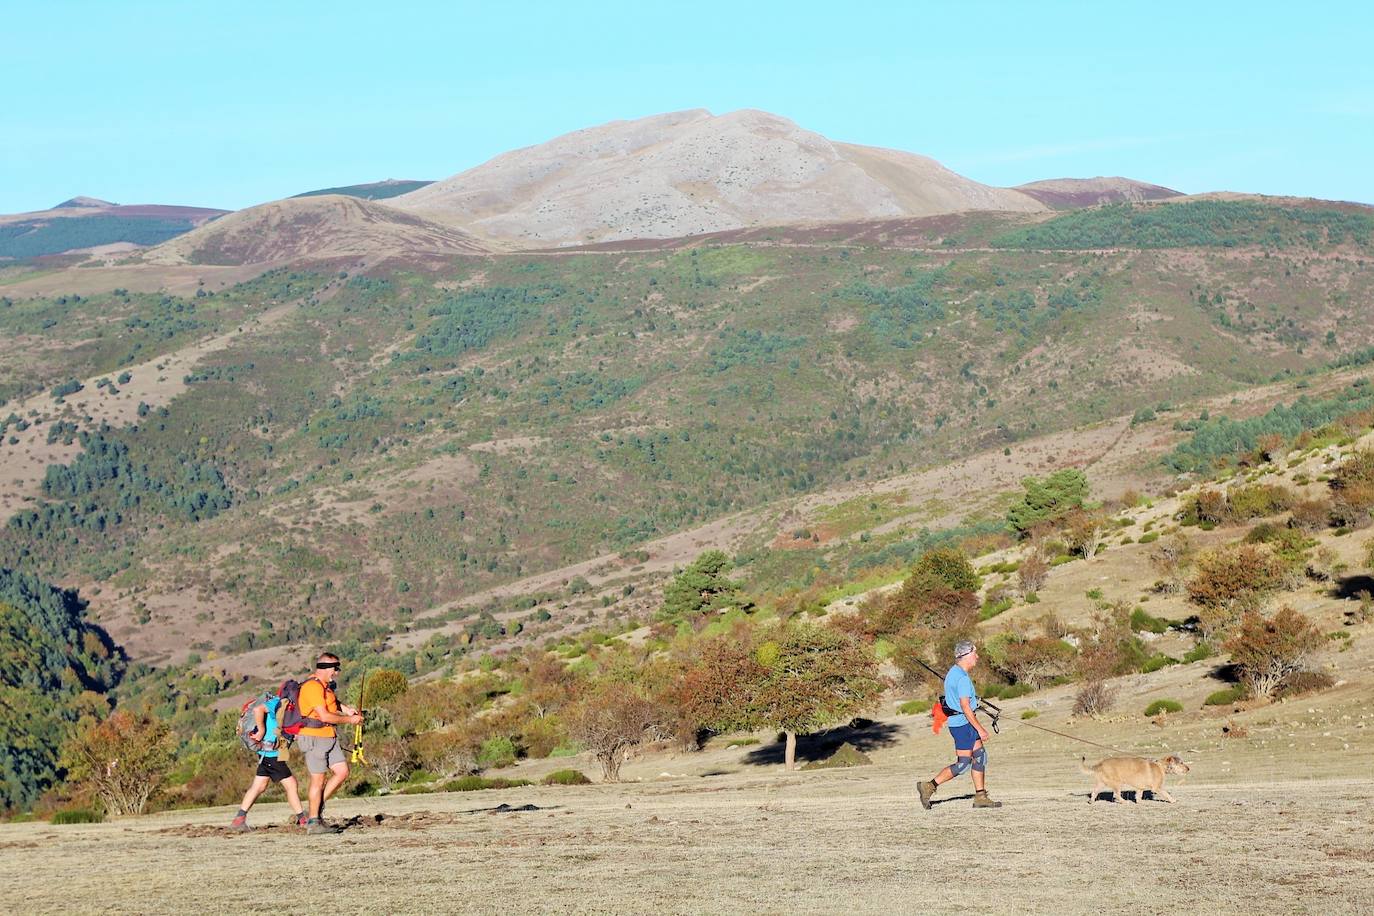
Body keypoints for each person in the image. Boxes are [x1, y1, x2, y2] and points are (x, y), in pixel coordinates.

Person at [918, 640, 1002, 810]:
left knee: (980, 756)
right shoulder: (962, 678)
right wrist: (980, 729)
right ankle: (929, 786)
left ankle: (981, 796)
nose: (977, 657)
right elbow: (965, 707)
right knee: (963, 764)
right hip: (963, 725)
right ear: (966, 656)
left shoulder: (954, 673)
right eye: (975, 654)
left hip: (962, 723)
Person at [296, 652, 364, 835]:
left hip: (329, 736)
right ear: (325, 668)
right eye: (335, 668)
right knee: (318, 780)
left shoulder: (325, 687)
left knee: (342, 772)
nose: (337, 672)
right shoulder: (312, 687)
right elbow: (324, 715)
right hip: (314, 737)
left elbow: (332, 704)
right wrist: (350, 721)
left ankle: (316, 807)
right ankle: (313, 822)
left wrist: (346, 710)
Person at [229, 689, 307, 831]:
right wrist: (261, 730)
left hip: (267, 753)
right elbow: (259, 709)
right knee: (291, 784)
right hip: (271, 754)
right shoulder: (278, 702)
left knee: (259, 785)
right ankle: (303, 818)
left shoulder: (287, 705)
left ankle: (239, 819)